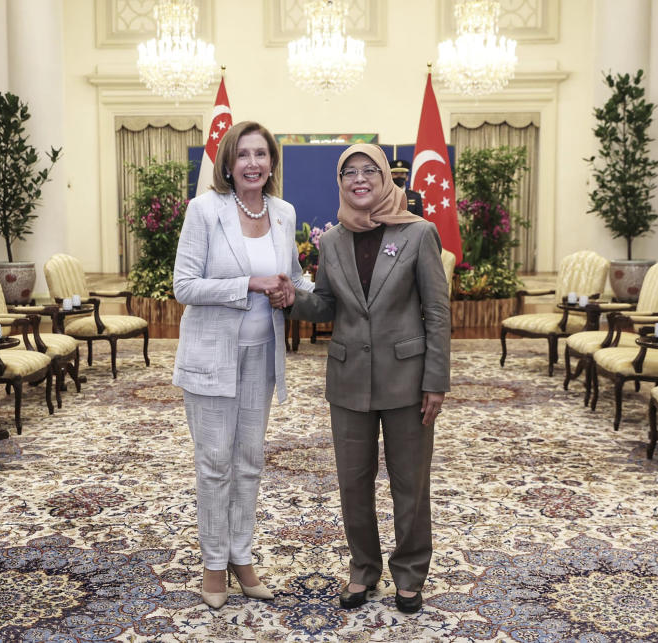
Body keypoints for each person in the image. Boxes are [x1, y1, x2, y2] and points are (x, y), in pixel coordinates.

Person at [278, 144, 450, 614]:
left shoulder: (418, 233)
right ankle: (363, 570)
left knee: (409, 483)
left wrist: (436, 380)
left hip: (408, 379)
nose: (359, 179)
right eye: (348, 172)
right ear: (340, 182)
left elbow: (436, 311)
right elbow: (328, 304)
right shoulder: (332, 240)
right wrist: (292, 297)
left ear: (384, 177)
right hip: (349, 378)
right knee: (353, 482)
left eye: (368, 170)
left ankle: (410, 574)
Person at [172, 121, 312, 609]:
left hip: (262, 359)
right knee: (214, 464)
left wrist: (297, 290)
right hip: (211, 359)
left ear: (272, 162)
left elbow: (291, 275)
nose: (253, 163)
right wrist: (248, 284)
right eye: (243, 155)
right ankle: (214, 565)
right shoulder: (204, 210)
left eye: (262, 154)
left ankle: (242, 556)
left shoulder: (284, 212)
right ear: (228, 164)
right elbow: (184, 285)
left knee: (249, 463)